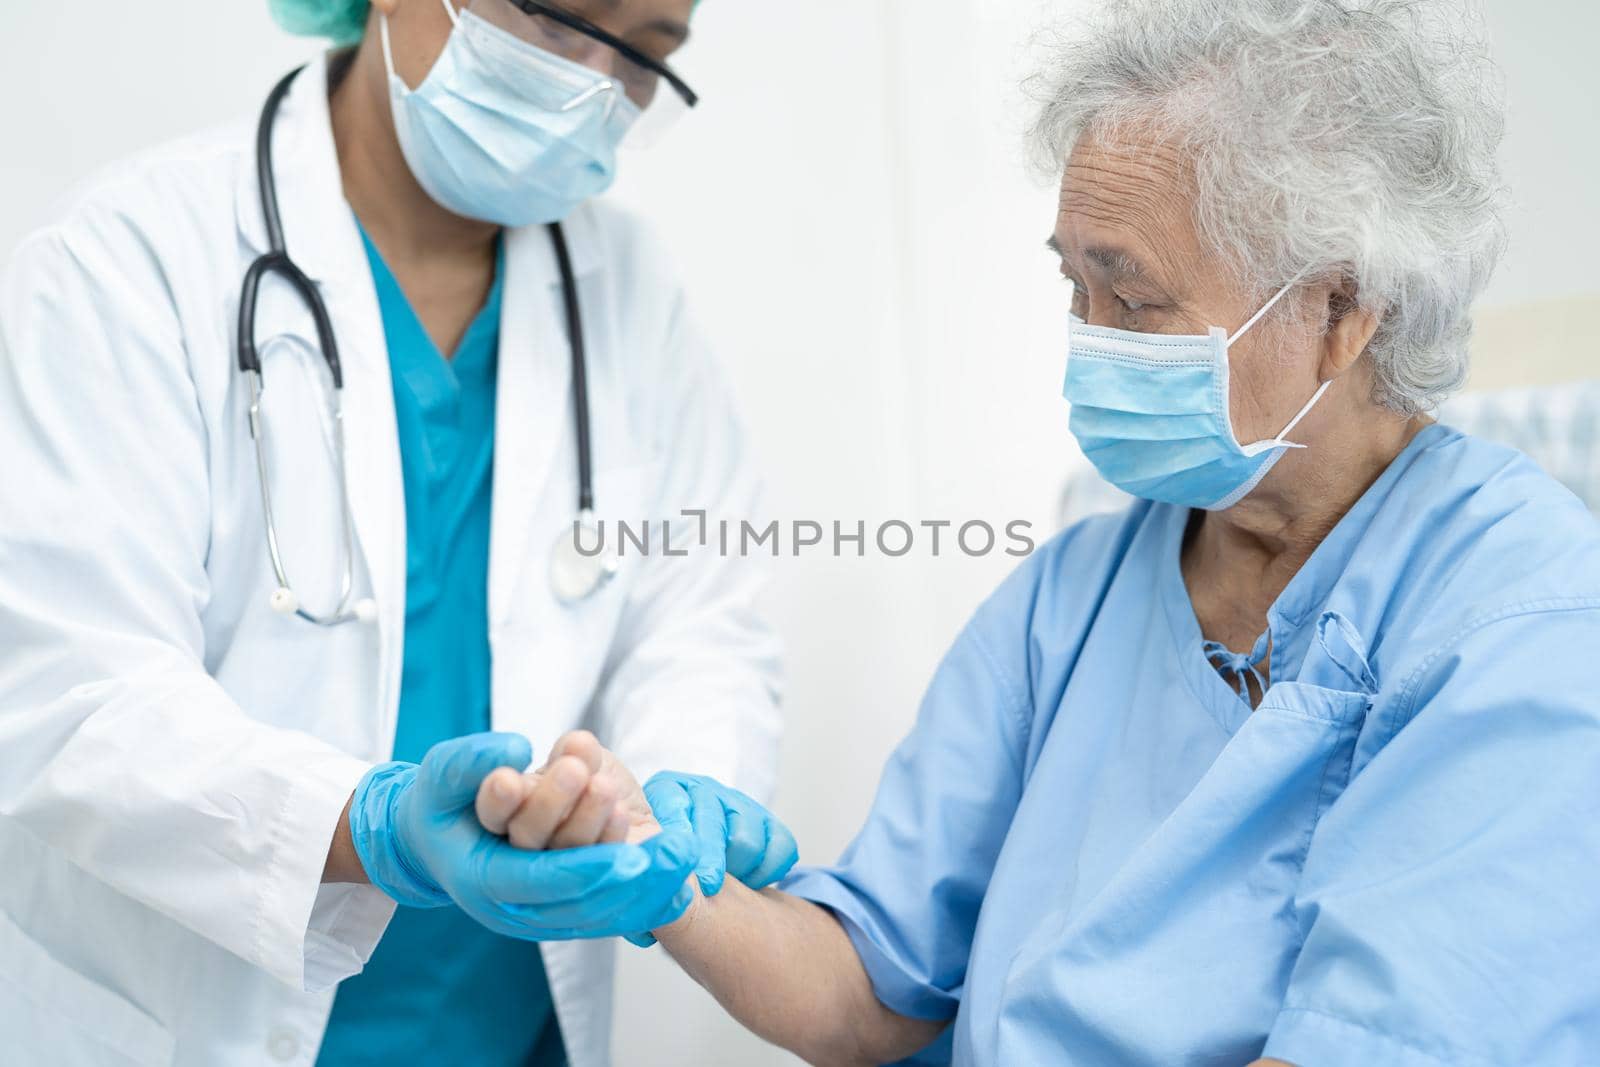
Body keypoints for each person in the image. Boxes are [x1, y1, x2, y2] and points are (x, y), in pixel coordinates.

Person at [508, 1, 1600, 1064]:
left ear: (1339, 312)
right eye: (1073, 285)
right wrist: (644, 860)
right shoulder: (1073, 593)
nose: (1088, 345)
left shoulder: (1521, 617)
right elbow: (857, 987)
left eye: (1133, 303)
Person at [0, 1, 783, 1065]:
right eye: (556, 20)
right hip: (204, 1017)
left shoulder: (631, 287)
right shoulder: (127, 257)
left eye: (647, 51)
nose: (595, 81)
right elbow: (68, 690)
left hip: (518, 1024)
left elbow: (700, 619)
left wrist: (685, 782)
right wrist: (365, 821)